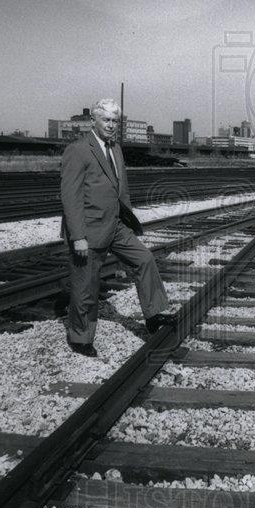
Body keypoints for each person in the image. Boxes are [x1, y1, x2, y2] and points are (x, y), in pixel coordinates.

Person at [59, 98, 175, 357]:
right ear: (94, 121)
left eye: (115, 121)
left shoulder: (116, 149)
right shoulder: (78, 150)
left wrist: (129, 221)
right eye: (106, 120)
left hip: (116, 225)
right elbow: (71, 198)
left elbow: (121, 190)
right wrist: (77, 237)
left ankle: (154, 316)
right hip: (88, 230)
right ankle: (80, 337)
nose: (111, 125)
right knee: (86, 286)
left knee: (144, 259)